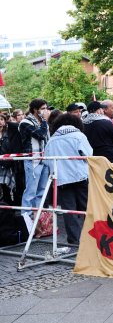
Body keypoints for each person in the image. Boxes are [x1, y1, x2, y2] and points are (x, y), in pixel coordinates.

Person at [44, 113, 92, 245]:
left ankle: (74, 240)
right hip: (81, 176)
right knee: (87, 208)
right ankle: (93, 237)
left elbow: (47, 161)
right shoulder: (79, 136)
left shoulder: (52, 139)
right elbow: (89, 154)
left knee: (68, 211)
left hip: (61, 179)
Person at [18, 99, 51, 232]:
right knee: (31, 191)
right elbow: (40, 135)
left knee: (41, 191)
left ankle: (39, 223)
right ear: (35, 109)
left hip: (44, 159)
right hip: (32, 159)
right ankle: (25, 221)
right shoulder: (25, 122)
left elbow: (47, 138)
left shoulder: (43, 123)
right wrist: (44, 121)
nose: (45, 110)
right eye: (42, 108)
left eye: (46, 108)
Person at [0, 113, 16, 204]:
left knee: (8, 187)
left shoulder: (9, 134)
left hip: (7, 164)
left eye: (2, 119)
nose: (0, 122)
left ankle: (9, 208)